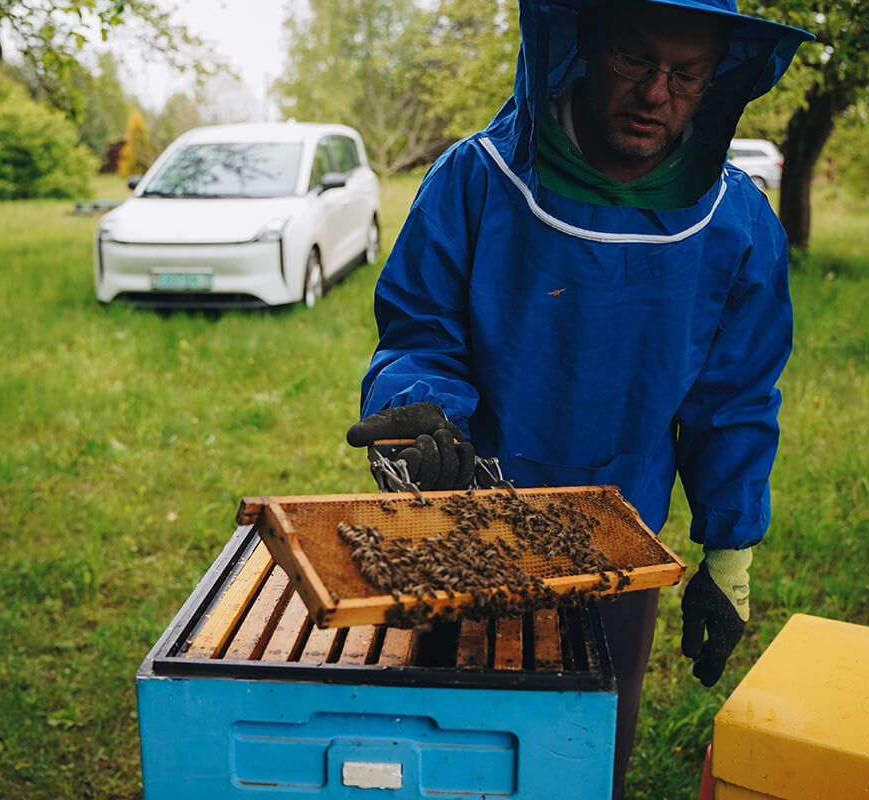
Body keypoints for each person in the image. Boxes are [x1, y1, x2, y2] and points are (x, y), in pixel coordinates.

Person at [346, 0, 813, 796]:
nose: (657, 92)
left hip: (618, 549)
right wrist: (423, 416)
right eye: (637, 60)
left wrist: (729, 554)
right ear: (585, 47)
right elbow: (420, 330)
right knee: (449, 758)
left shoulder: (737, 223)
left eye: (687, 74)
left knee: (581, 761)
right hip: (464, 527)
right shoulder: (476, 179)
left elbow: (733, 400)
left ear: (715, 82)